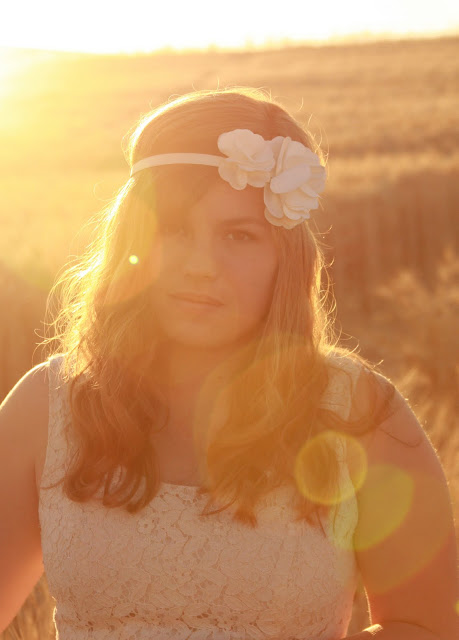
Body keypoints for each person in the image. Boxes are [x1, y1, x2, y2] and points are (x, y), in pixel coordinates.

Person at [0, 88, 457, 640]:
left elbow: (425, 625)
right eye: (174, 229)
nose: (201, 265)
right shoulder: (46, 407)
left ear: (286, 256)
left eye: (239, 235)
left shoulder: (361, 413)